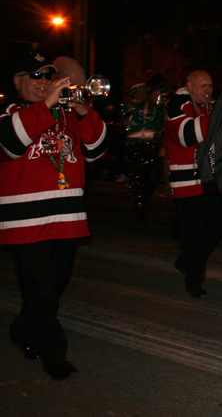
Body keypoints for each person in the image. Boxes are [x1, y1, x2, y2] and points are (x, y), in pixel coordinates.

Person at [0, 52, 108, 380]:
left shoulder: (66, 114)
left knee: (53, 284)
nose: (43, 83)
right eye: (35, 77)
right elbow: (9, 144)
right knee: (41, 291)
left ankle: (22, 328)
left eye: (47, 77)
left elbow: (97, 150)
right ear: (18, 82)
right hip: (25, 219)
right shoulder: (10, 112)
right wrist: (45, 105)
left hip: (66, 215)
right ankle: (53, 354)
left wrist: (82, 109)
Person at [164, 70, 222, 298]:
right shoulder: (177, 105)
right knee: (194, 233)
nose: (208, 90)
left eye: (210, 86)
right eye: (203, 86)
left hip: (209, 180)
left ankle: (186, 261)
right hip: (186, 182)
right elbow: (187, 135)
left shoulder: (211, 106)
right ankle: (193, 282)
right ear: (189, 86)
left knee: (219, 225)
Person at [120, 82, 164, 220]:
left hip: (151, 145)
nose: (145, 94)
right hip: (136, 145)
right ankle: (138, 202)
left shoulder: (152, 107)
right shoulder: (129, 106)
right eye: (143, 92)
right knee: (138, 174)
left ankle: (141, 200)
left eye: (147, 92)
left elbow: (159, 122)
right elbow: (139, 116)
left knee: (153, 174)